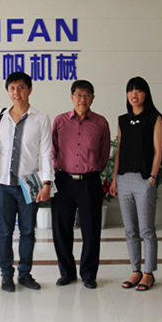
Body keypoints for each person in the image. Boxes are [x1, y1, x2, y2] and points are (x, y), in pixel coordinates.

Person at [0, 71, 53, 292]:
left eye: (20, 87)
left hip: (29, 184)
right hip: (3, 184)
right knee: (4, 232)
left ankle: (25, 273)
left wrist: (47, 183)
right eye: (11, 88)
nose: (16, 92)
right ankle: (6, 274)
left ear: (30, 89)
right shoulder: (1, 116)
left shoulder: (41, 118)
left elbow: (46, 153)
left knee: (28, 232)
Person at [51, 80, 111, 289]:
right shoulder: (59, 121)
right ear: (71, 97)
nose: (82, 99)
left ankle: (88, 274)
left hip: (89, 182)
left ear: (93, 98)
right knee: (61, 230)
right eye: (78, 95)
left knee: (91, 230)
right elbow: (53, 151)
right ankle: (67, 272)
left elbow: (104, 154)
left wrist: (93, 172)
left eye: (87, 95)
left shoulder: (101, 123)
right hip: (64, 181)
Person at [109, 76, 162, 292]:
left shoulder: (154, 118)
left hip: (144, 180)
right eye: (130, 90)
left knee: (147, 229)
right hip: (124, 179)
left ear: (146, 94)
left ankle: (149, 273)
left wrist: (152, 177)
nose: (134, 94)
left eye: (139, 90)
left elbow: (158, 151)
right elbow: (119, 150)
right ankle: (135, 271)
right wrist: (114, 177)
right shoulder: (122, 120)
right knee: (130, 230)